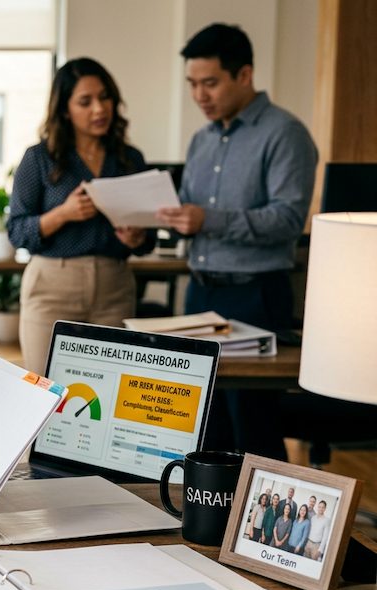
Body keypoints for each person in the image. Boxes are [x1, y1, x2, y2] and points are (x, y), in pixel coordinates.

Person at [156, 24, 317, 460]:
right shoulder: (201, 140)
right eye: (192, 84)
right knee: (201, 429)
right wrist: (167, 221)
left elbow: (288, 220)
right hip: (200, 293)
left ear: (244, 75)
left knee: (253, 428)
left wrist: (208, 219)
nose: (199, 96)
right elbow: (191, 214)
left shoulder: (285, 133)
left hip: (255, 296)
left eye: (210, 83)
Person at [6, 58, 154, 373]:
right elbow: (17, 231)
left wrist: (138, 236)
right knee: (46, 389)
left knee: (110, 391)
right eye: (85, 102)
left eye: (105, 98)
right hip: (52, 288)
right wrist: (63, 214)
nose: (99, 109)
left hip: (114, 288)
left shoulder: (129, 159)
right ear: (65, 109)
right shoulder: (39, 158)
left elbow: (148, 239)